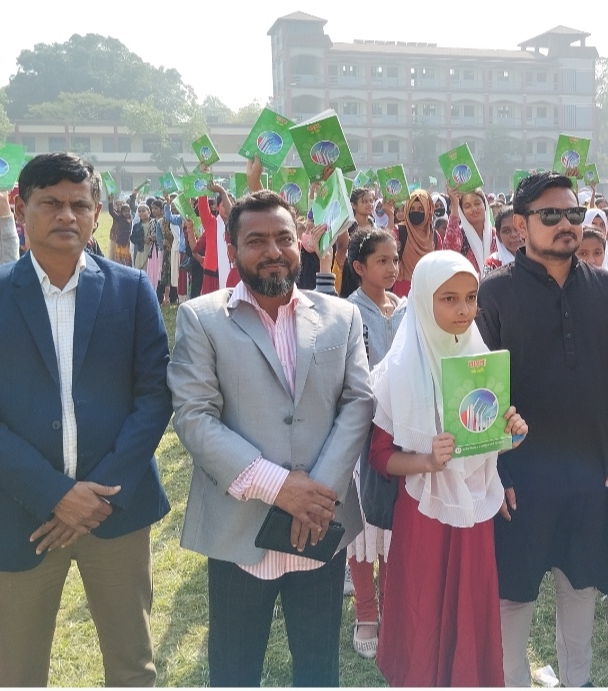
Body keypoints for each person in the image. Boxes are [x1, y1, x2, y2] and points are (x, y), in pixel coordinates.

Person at [0, 152, 172, 686]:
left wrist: (98, 496)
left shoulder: (131, 290)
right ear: (21, 207)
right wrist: (55, 494)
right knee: (19, 674)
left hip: (116, 510)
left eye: (79, 204)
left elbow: (154, 397)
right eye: (50, 203)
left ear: (96, 214)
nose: (66, 215)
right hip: (19, 514)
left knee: (133, 667)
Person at [168, 189, 373, 687]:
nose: (273, 250)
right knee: (234, 672)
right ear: (233, 249)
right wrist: (280, 488)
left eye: (283, 238)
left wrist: (317, 495)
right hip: (240, 528)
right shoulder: (203, 319)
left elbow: (358, 402)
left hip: (321, 526)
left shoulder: (341, 316)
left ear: (299, 242)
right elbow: (194, 417)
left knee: (318, 670)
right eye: (256, 240)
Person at [477, 172, 608, 688]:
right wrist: (496, 469)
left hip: (590, 470)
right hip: (518, 478)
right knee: (513, 595)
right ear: (520, 224)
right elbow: (480, 392)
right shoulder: (494, 293)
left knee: (581, 586)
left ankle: (578, 681)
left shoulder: (606, 288)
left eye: (572, 214)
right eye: (550, 215)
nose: (565, 224)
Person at [371, 250, 527, 687]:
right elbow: (380, 456)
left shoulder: (480, 358)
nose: (463, 310)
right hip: (423, 514)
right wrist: (426, 460)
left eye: (471, 298)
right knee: (423, 610)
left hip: (474, 512)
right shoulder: (397, 370)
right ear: (424, 300)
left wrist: (512, 433)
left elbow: (486, 441)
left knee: (469, 607)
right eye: (449, 299)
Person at [343, 227, 406, 659]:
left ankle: (393, 605)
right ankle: (366, 611)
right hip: (362, 431)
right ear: (359, 267)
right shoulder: (346, 312)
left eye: (394, 259)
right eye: (381, 260)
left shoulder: (405, 309)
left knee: (394, 524)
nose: (391, 267)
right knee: (363, 528)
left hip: (402, 432)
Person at [385, 189, 439, 297]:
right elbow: (386, 247)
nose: (416, 212)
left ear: (428, 210)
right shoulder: (399, 231)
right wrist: (390, 216)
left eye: (421, 209)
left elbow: (438, 265)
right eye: (412, 209)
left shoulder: (434, 236)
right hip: (402, 289)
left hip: (427, 289)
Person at [442, 186, 497, 274]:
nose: (474, 209)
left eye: (477, 203)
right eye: (467, 206)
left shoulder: (496, 235)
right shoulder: (459, 235)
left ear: (485, 205)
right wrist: (455, 206)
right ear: (462, 211)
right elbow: (449, 251)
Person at [483, 205, 522, 276]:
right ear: (498, 236)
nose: (513, 235)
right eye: (506, 231)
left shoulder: (538, 259)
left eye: (518, 228)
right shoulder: (492, 263)